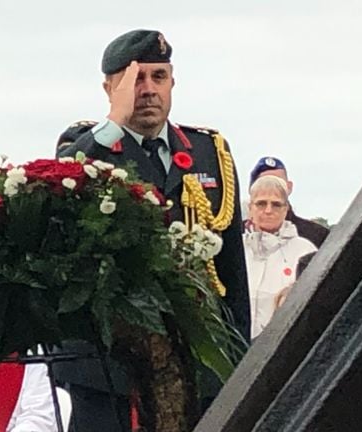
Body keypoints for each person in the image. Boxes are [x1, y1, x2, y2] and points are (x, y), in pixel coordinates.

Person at [56, 29, 250, 431]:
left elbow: (230, 269)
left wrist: (238, 353)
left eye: (158, 77)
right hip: (108, 368)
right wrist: (115, 121)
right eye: (134, 79)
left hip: (196, 360)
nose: (147, 90)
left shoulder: (208, 151)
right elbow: (63, 184)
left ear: (172, 83)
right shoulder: (84, 144)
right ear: (110, 88)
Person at [244, 176, 317, 338]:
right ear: (250, 208)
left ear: (286, 209)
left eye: (276, 204)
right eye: (261, 203)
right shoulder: (236, 249)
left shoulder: (305, 251)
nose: (268, 210)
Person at [248, 156, 329, 248]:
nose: (272, 186)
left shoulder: (317, 236)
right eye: (264, 182)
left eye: (279, 182)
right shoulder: (236, 238)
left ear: (289, 187)